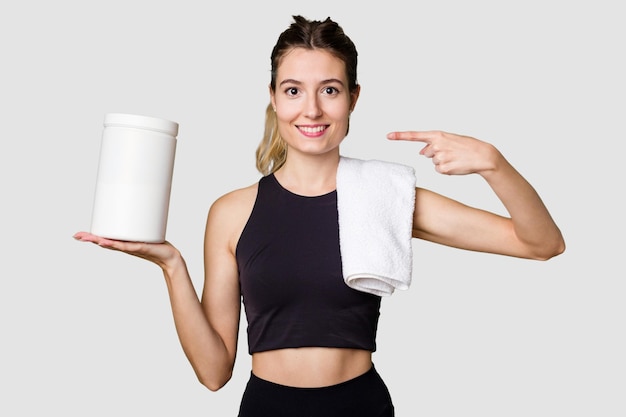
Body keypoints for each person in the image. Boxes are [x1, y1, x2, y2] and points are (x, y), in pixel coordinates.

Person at [74, 15, 565, 417]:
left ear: (353, 98)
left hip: (360, 406)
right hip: (268, 408)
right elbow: (213, 372)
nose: (311, 109)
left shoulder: (386, 196)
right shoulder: (231, 212)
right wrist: (171, 265)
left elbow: (541, 244)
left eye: (329, 90)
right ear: (273, 98)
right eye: (292, 90)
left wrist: (496, 166)